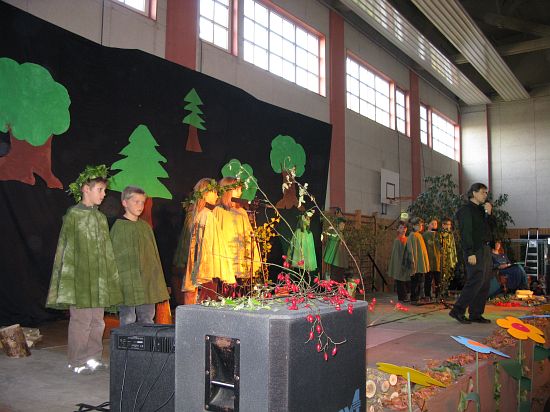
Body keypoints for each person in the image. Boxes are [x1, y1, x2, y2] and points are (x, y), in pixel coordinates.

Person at [46, 165, 122, 374]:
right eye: (100, 190)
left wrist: (108, 277)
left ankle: (93, 358)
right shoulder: (74, 215)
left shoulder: (100, 218)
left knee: (97, 321)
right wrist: (70, 279)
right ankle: (77, 360)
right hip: (80, 279)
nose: (104, 194)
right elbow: (66, 249)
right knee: (82, 320)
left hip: (98, 281)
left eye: (105, 190)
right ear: (85, 189)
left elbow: (106, 251)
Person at [110, 186, 170, 326]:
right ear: (125, 203)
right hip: (127, 282)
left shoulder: (145, 227)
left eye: (142, 202)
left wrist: (154, 279)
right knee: (128, 318)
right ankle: (128, 340)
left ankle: (145, 340)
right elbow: (115, 258)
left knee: (147, 318)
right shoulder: (119, 227)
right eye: (136, 201)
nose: (140, 206)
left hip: (146, 282)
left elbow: (153, 257)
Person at [182, 178, 236, 304]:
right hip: (206, 266)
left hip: (199, 263)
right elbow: (208, 244)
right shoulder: (207, 215)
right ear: (206, 194)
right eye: (214, 192)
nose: (217, 196)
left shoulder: (199, 213)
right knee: (207, 298)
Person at [450, 183, 494, 324]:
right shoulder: (465, 210)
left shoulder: (482, 210)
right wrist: (470, 252)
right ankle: (457, 310)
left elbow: (491, 229)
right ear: (474, 193)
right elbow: (466, 233)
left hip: (485, 248)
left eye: (486, 193)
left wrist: (489, 214)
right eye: (482, 192)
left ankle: (476, 313)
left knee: (484, 282)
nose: (485, 195)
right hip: (474, 250)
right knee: (476, 280)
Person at [214, 177, 261, 282]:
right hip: (226, 259)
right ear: (227, 191)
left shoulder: (241, 212)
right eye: (237, 189)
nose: (240, 192)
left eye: (240, 189)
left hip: (240, 260)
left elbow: (248, 237)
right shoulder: (219, 211)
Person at [405, 217, 430, 303]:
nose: (420, 227)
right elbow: (411, 249)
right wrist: (413, 261)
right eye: (418, 225)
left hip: (420, 262)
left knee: (419, 280)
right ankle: (414, 297)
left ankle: (418, 296)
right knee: (415, 280)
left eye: (421, 225)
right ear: (413, 226)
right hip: (416, 263)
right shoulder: (412, 235)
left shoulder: (419, 235)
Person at [387, 221, 410, 302]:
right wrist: (400, 264)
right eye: (401, 228)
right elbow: (396, 255)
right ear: (397, 229)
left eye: (404, 227)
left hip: (406, 263)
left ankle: (405, 296)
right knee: (400, 281)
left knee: (406, 280)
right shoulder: (397, 241)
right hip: (400, 264)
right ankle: (402, 297)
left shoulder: (408, 239)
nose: (403, 229)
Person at [423, 218, 441, 301]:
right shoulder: (425, 235)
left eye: (435, 224)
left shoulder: (438, 235)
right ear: (428, 224)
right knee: (428, 279)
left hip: (437, 261)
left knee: (438, 280)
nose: (434, 225)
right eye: (432, 223)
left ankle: (438, 295)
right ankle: (427, 295)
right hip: (428, 260)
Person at [439, 217, 458, 298]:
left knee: (449, 274)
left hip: (450, 257)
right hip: (443, 257)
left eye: (450, 224)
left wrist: (454, 257)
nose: (448, 226)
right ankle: (440, 292)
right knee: (442, 275)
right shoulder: (440, 234)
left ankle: (445, 290)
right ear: (443, 225)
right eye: (447, 224)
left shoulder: (451, 235)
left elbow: (453, 246)